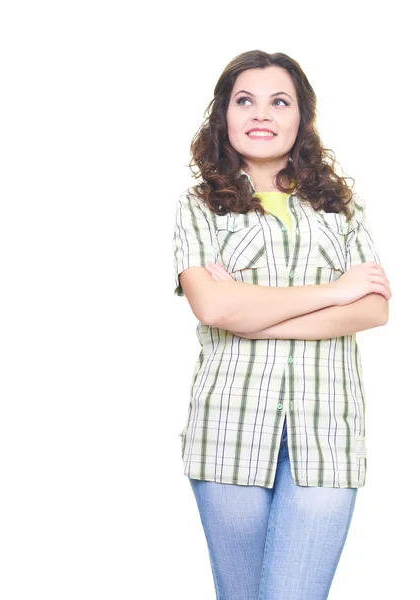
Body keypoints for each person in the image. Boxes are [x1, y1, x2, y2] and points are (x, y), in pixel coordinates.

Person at [171, 50, 391, 600]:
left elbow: (373, 310)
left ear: (302, 117)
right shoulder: (199, 207)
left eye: (279, 101)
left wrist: (252, 312)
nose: (261, 114)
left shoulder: (343, 207)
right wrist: (332, 293)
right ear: (225, 114)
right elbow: (214, 310)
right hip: (228, 428)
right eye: (245, 100)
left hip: (329, 432)